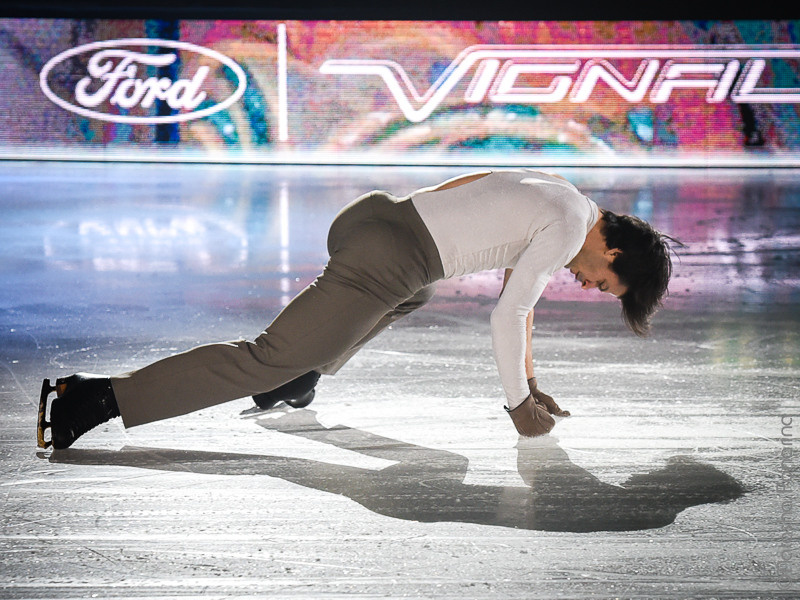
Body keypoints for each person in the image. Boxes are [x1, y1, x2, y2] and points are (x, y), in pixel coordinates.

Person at [38, 170, 675, 450]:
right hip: (388, 257)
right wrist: (518, 407)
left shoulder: (562, 196)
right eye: (605, 285)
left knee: (416, 292)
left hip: (380, 218)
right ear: (614, 252)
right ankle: (95, 398)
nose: (590, 287)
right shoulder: (568, 231)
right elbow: (508, 314)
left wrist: (532, 379)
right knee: (265, 358)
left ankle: (301, 375)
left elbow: (490, 245)